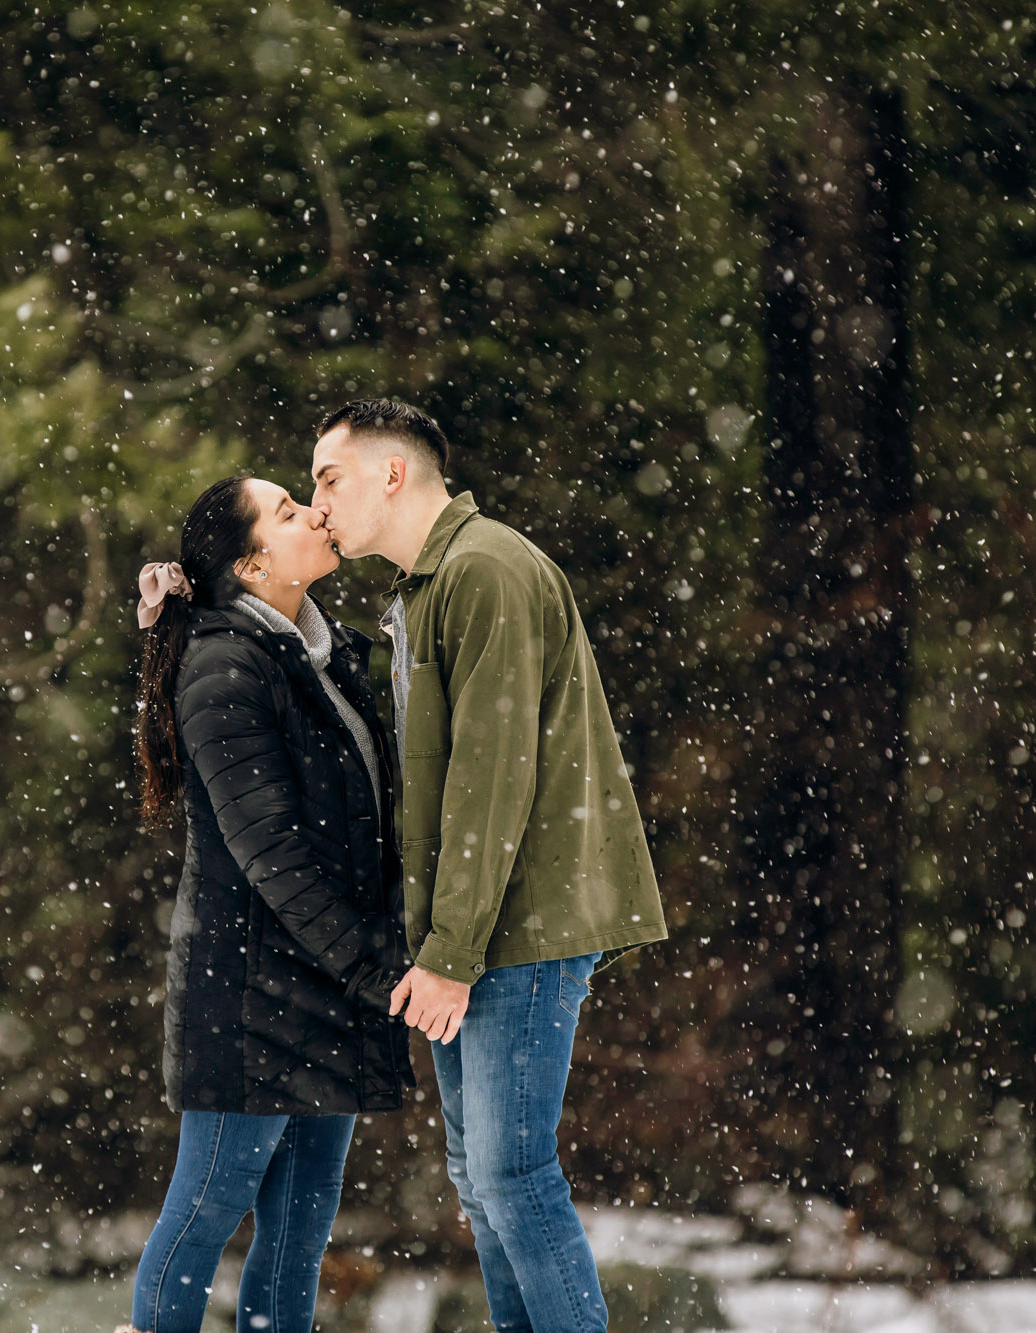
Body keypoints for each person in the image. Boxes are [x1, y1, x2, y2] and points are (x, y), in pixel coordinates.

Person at [309, 399, 667, 1333]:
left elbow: (492, 773)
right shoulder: (429, 587)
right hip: (475, 928)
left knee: (511, 1172)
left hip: (520, 922)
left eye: (329, 478)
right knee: (483, 1176)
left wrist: (452, 948)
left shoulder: (486, 569)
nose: (319, 505)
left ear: (394, 474)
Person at [118, 474, 414, 1333]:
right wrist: (372, 964)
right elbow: (272, 855)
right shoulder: (221, 669)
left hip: (328, 979)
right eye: (287, 511)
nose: (313, 512)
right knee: (208, 1206)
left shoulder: (322, 653)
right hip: (250, 998)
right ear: (251, 566)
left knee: (299, 1231)